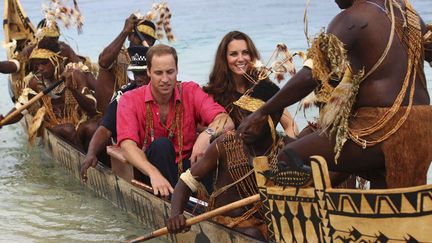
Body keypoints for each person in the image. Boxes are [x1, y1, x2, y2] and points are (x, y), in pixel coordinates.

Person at [238, 0, 432, 188]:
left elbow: (311, 75)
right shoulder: (411, 16)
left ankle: (310, 219)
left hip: (382, 127)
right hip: (423, 126)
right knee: (383, 188)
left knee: (288, 156)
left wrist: (263, 111)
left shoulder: (351, 18)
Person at [167, 81, 284, 241]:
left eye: (253, 116)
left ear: (275, 117)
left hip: (267, 230)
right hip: (225, 225)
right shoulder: (225, 144)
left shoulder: (285, 151)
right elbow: (186, 182)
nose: (245, 124)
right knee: (253, 235)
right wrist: (175, 215)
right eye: (243, 115)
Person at [116, 44, 234, 197]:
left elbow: (226, 120)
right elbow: (127, 146)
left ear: (177, 70)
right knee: (162, 146)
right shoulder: (129, 99)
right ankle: (174, 200)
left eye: (170, 72)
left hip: (189, 167)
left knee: (216, 147)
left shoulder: (190, 90)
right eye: (159, 73)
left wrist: (207, 135)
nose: (165, 79)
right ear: (148, 72)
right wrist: (154, 174)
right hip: (152, 170)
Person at [0, 41, 98, 148]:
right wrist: (3, 121)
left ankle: (89, 158)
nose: (40, 68)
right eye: (37, 65)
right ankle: (85, 160)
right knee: (68, 129)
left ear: (57, 60)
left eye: (44, 63)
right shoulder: (35, 82)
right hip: (55, 126)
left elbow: (92, 108)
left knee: (92, 128)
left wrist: (73, 89)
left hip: (78, 125)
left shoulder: (75, 75)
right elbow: (20, 110)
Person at [203, 31, 298, 138]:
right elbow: (203, 130)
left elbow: (291, 125)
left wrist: (284, 150)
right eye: (233, 54)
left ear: (251, 55)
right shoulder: (213, 93)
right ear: (224, 58)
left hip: (267, 153)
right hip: (228, 152)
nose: (240, 58)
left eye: (245, 52)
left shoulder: (267, 89)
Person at [80, 46, 151, 181]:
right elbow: (105, 129)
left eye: (143, 73)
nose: (139, 79)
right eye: (136, 74)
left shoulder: (166, 91)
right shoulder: (123, 95)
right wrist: (90, 154)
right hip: (132, 152)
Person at [95, 15, 157, 112]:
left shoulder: (154, 62)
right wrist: (125, 31)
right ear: (130, 36)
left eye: (148, 38)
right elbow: (103, 62)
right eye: (138, 36)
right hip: (112, 112)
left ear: (152, 43)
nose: (142, 40)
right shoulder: (117, 56)